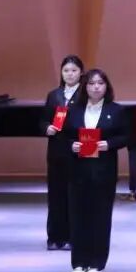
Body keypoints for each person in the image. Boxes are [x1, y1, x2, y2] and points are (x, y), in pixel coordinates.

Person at [65, 68, 129, 272]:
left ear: (106, 86)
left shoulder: (116, 110)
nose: (95, 87)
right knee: (78, 217)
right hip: (78, 171)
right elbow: (63, 137)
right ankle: (78, 263)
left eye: (100, 83)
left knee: (101, 217)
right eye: (91, 83)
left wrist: (108, 144)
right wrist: (72, 145)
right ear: (85, 87)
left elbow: (126, 136)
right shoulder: (74, 110)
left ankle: (97, 263)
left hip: (103, 171)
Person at [42, 54, 85, 251]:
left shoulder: (85, 95)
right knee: (55, 194)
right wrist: (47, 128)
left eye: (74, 70)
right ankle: (54, 236)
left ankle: (71, 236)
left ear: (81, 73)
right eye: (66, 70)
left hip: (76, 149)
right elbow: (43, 120)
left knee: (73, 195)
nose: (70, 74)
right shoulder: (54, 95)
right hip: (56, 151)